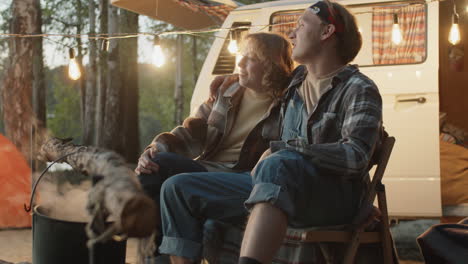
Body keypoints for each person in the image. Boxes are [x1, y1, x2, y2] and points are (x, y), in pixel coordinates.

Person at [158, 1, 383, 264]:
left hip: (329, 197)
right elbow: (262, 68)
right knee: (176, 188)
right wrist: (227, 80)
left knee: (278, 162)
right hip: (276, 187)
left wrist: (287, 149)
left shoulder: (359, 88)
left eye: (301, 25)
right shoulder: (295, 82)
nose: (291, 34)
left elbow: (356, 157)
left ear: (326, 33)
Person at [134, 32, 294, 258]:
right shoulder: (228, 90)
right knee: (154, 167)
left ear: (271, 66)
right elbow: (192, 131)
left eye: (250, 58)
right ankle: (157, 258)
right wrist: (152, 151)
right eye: (242, 56)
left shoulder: (289, 102)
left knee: (172, 184)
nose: (240, 63)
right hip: (206, 168)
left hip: (241, 178)